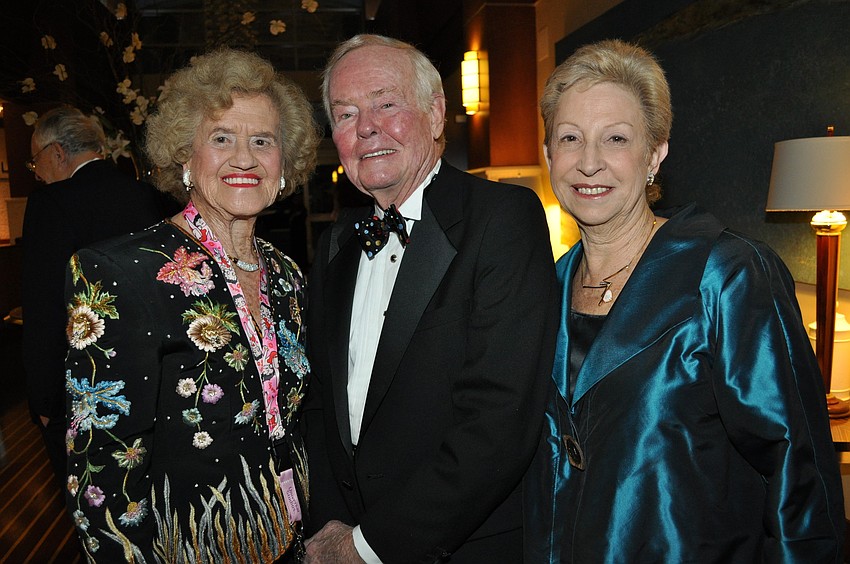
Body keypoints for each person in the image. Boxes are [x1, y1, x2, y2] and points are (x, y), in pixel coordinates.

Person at [525, 38, 845, 562]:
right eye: (570, 138)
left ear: (655, 155)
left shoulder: (727, 276)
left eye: (615, 139)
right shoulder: (545, 287)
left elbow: (797, 469)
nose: (589, 162)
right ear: (548, 155)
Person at [302, 34, 558, 563]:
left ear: (436, 113)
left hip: (460, 547)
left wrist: (367, 547)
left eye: (386, 104)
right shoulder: (334, 244)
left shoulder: (503, 219)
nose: (366, 127)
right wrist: (330, 528)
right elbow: (319, 402)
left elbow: (499, 421)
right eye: (346, 114)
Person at [62, 48, 321, 561]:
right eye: (221, 138)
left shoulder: (288, 275)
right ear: (185, 154)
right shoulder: (121, 272)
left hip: (293, 546)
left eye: (262, 141)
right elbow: (100, 476)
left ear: (284, 163)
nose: (244, 158)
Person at [22, 105, 173, 490]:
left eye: (35, 161)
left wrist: (44, 401)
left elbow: (45, 311)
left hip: (85, 389)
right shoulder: (151, 195)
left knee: (91, 501)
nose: (36, 173)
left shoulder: (50, 203)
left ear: (58, 152)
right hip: (157, 381)